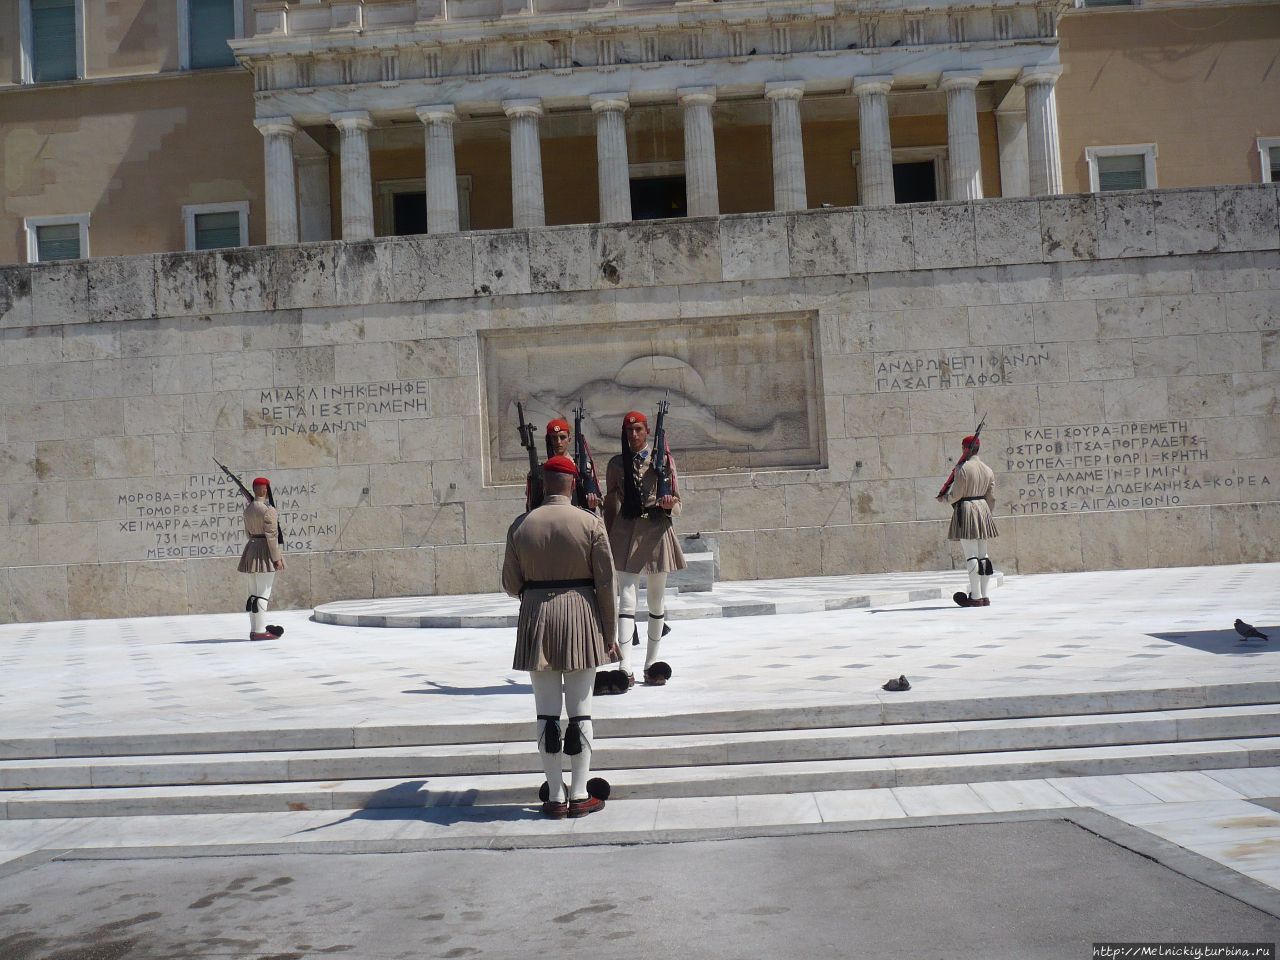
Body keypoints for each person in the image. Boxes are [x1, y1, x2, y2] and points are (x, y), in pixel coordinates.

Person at [502, 455, 618, 819]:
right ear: (571, 483)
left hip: (537, 616)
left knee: (546, 713)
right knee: (580, 713)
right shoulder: (590, 523)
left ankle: (554, 795)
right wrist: (609, 633)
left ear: (543, 484)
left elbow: (510, 584)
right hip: (581, 614)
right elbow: (606, 583)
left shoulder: (521, 525)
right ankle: (581, 793)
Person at [601, 410, 685, 690]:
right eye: (629, 431)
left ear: (647, 431)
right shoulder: (616, 465)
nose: (634, 435)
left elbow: (679, 505)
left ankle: (651, 664)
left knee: (656, 601)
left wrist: (669, 503)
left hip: (657, 530)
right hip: (626, 531)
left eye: (638, 430)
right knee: (626, 600)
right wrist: (608, 536)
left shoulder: (662, 461)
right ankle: (625, 666)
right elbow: (610, 503)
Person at [937, 435, 998, 607]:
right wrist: (987, 513)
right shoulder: (988, 469)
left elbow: (956, 494)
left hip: (967, 509)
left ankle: (976, 596)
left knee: (971, 554)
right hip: (983, 508)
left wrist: (944, 499)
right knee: (983, 555)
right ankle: (985, 596)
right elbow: (991, 497)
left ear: (965, 449)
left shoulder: (962, 469)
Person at [237, 477, 286, 640]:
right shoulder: (268, 510)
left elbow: (247, 533)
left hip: (251, 549)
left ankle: (254, 629)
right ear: (265, 490)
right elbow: (272, 535)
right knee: (263, 593)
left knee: (253, 594)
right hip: (265, 551)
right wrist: (277, 557)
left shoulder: (248, 508)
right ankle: (259, 632)